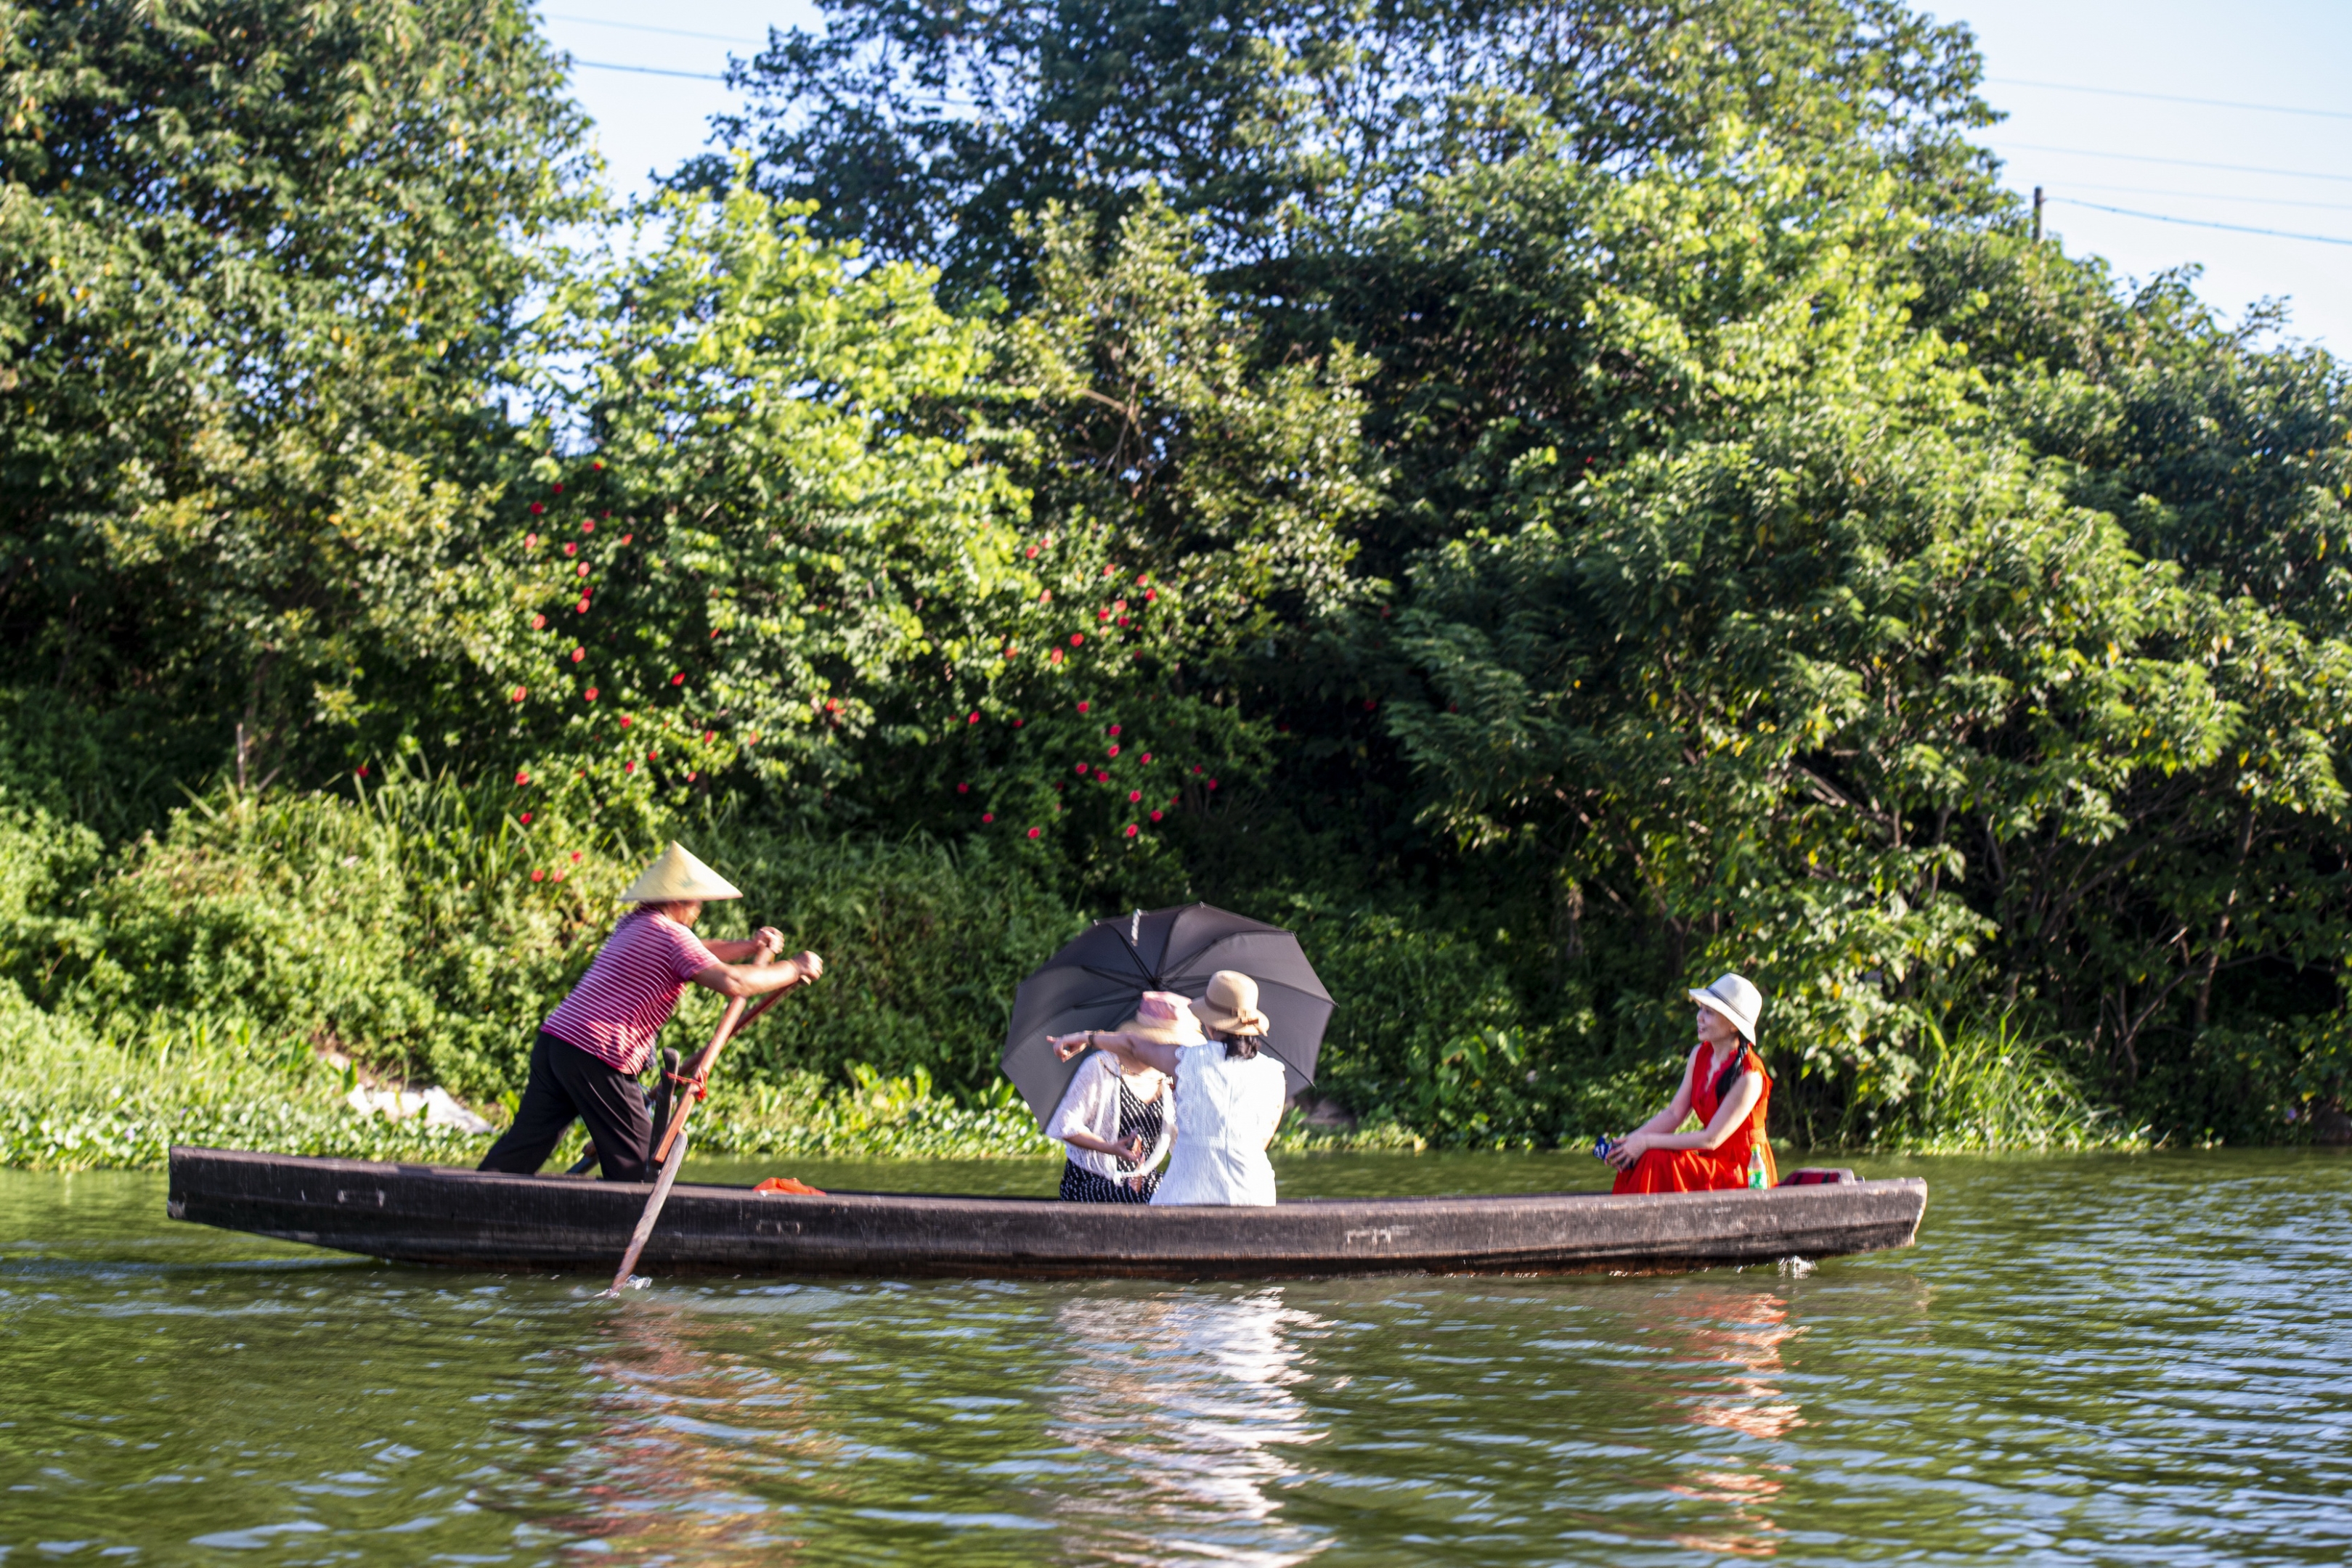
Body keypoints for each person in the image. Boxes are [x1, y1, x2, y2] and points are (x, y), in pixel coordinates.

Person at [478, 842, 822, 1182]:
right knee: (641, 1165)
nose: (699, 909)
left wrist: (750, 946)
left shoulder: (637, 924)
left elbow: (699, 951)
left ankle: (478, 1196)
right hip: (597, 1053)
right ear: (676, 900)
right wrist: (795, 968)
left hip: (558, 1043)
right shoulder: (670, 935)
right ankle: (623, 1221)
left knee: (522, 1147)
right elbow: (733, 981)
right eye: (697, 901)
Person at [1051, 970, 1287, 1207]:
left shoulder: (1187, 1061)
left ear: (1210, 1026)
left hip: (1187, 1194)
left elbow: (1133, 1046)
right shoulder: (1275, 1074)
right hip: (1256, 1195)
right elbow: (1261, 1142)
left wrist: (1086, 1037)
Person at [1604, 972, 1777, 1194]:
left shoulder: (1750, 1076)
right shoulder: (1700, 1055)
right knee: (1640, 1156)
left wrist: (1646, 1141)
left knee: (1654, 1157)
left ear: (1734, 1025)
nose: (1699, 1017)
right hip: (1712, 1163)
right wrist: (1630, 1142)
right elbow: (1675, 1114)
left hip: (1747, 1172)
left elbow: (1711, 1139)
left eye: (1709, 1012)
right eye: (1701, 1009)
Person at [1048, 991, 1188, 1203]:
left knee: (1179, 1196)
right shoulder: (1101, 1066)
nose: (1175, 1051)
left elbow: (1183, 1141)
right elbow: (1065, 1125)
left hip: (1142, 1183)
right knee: (1142, 1198)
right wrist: (1110, 1148)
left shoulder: (1169, 1077)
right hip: (1092, 1180)